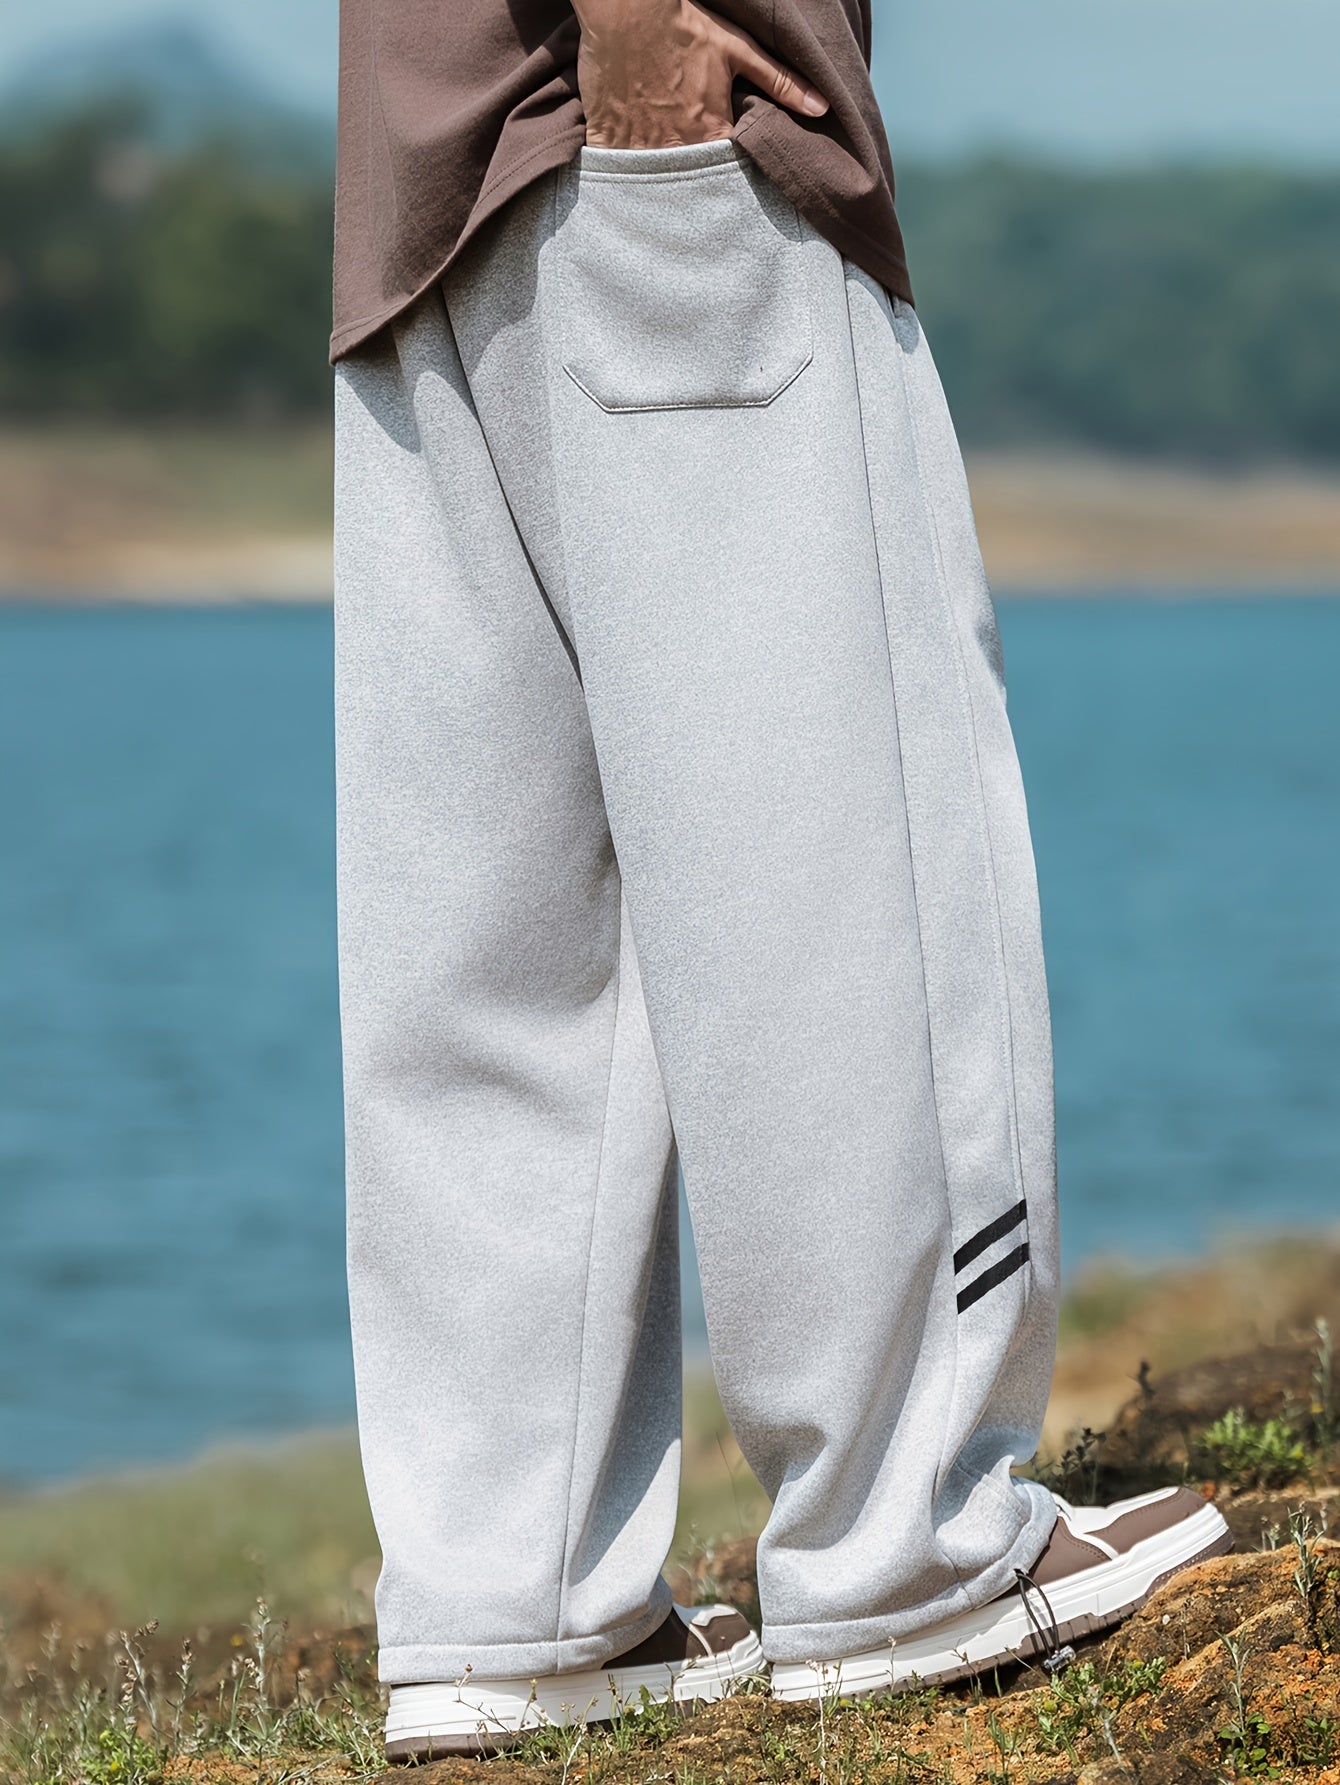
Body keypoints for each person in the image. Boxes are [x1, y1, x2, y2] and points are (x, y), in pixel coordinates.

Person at [330, 0, 1231, 1760]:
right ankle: (911, 1541)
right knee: (836, 855)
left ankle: (511, 1597)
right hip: (670, 113)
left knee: (504, 946)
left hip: (419, 168)